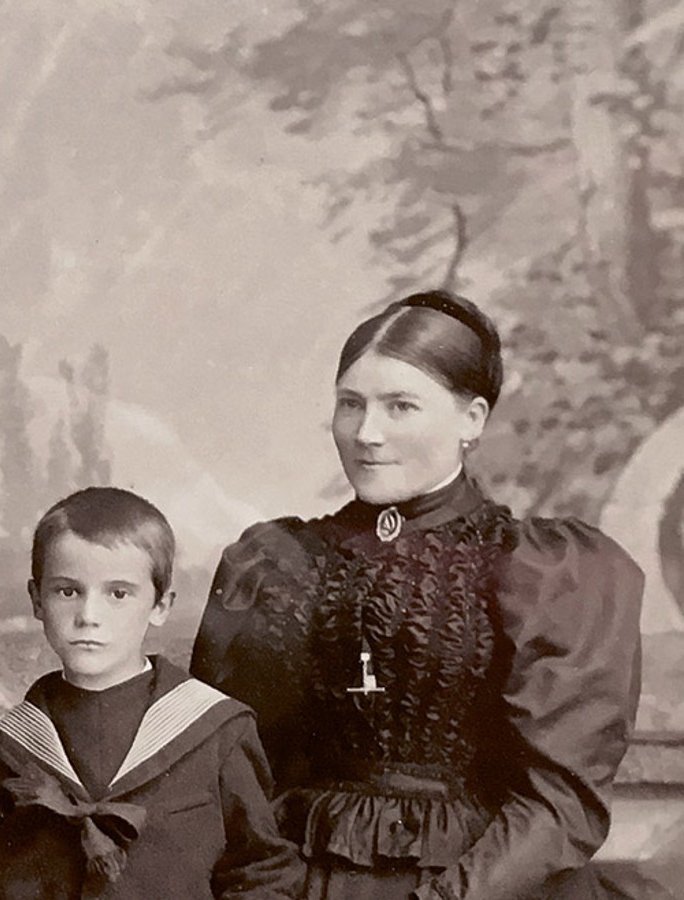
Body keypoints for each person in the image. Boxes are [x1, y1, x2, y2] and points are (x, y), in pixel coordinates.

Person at [190, 290, 645, 899]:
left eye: (400, 406)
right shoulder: (275, 564)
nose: (367, 433)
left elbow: (561, 801)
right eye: (351, 405)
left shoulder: (543, 571)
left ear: (472, 419)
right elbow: (233, 775)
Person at [0, 487, 304, 899]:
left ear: (160, 605)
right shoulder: (9, 746)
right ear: (36, 600)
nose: (88, 617)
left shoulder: (216, 730)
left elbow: (263, 872)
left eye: (118, 594)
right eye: (67, 591)